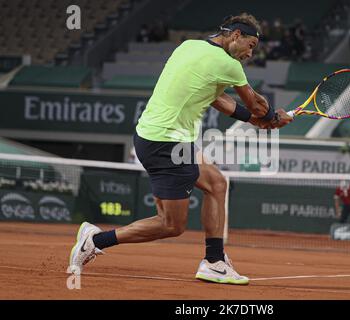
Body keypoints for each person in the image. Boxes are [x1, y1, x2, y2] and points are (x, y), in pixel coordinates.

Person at [69, 13, 293, 285]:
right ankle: (95, 241)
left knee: (216, 184)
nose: (250, 53)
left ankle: (214, 261)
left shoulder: (189, 46)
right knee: (171, 225)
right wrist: (272, 117)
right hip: (167, 143)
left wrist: (253, 120)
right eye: (250, 46)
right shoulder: (228, 65)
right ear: (236, 35)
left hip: (154, 137)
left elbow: (214, 97)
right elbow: (257, 105)